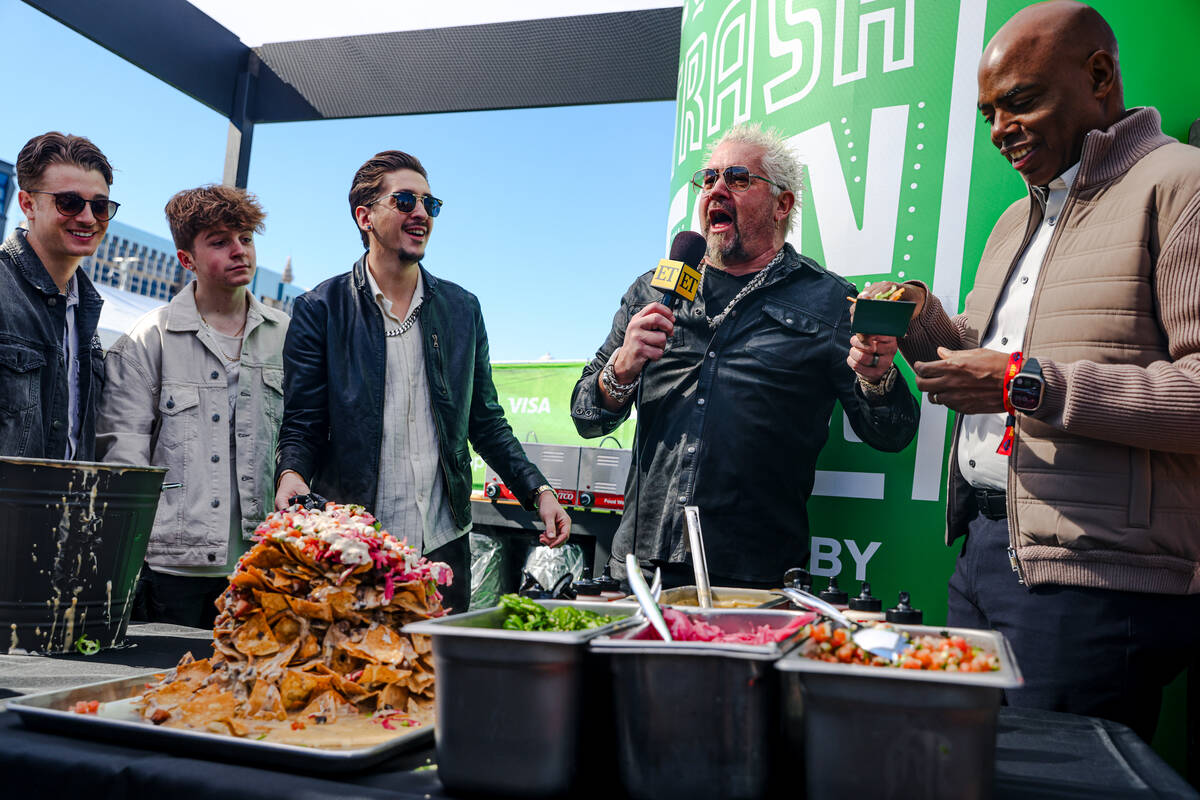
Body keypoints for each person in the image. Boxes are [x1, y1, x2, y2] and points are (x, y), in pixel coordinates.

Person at [883, 0, 1200, 740]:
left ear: (1098, 76)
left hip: (1097, 583)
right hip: (985, 556)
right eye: (990, 113)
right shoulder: (1012, 219)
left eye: (1020, 103)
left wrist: (1030, 383)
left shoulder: (1181, 184)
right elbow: (980, 374)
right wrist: (921, 320)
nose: (1000, 132)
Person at [571, 123, 919, 589]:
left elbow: (893, 434)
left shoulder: (829, 301)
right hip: (640, 567)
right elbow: (586, 417)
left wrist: (876, 379)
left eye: (737, 178)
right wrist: (621, 370)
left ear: (782, 204)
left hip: (754, 577)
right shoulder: (652, 290)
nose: (716, 189)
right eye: (708, 178)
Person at [274, 150, 570, 613]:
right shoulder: (320, 309)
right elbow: (303, 423)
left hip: (443, 546)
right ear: (364, 216)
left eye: (430, 205)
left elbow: (486, 423)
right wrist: (291, 474)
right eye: (406, 200)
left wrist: (539, 491)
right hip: (356, 548)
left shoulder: (463, 309)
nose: (421, 214)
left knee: (438, 682)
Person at [97, 185, 288, 628]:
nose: (240, 251)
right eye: (220, 242)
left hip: (265, 565)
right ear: (187, 260)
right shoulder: (149, 339)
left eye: (246, 238)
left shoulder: (288, 336)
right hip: (171, 570)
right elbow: (125, 459)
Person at [0, 132, 115, 460]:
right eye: (69, 202)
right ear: (27, 204)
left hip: (67, 510)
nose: (88, 218)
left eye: (100, 205)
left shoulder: (86, 309)